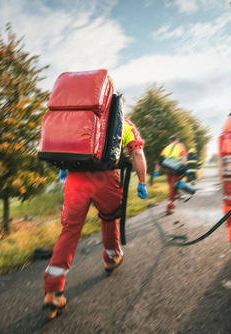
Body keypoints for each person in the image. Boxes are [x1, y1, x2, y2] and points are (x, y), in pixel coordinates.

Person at [42, 117, 147, 319]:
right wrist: (142, 181)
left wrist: (64, 171)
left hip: (75, 179)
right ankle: (111, 257)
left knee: (70, 230)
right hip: (105, 178)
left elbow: (66, 150)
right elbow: (137, 151)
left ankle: (53, 292)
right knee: (109, 218)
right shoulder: (122, 120)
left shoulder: (78, 118)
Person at [156, 135, 187, 215]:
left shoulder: (165, 148)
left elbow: (160, 160)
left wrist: (157, 171)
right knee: (173, 188)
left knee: (172, 187)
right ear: (177, 140)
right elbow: (183, 158)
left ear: (170, 141)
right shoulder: (180, 146)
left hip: (168, 170)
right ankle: (169, 207)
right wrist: (184, 167)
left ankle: (173, 203)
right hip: (176, 169)